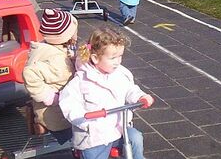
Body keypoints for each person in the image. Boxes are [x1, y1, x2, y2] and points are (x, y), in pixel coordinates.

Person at [59, 27, 154, 159]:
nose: (118, 61)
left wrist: (140, 97)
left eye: (120, 56)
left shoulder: (121, 74)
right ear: (95, 58)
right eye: (113, 58)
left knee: (135, 137)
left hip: (119, 129)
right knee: (93, 155)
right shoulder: (81, 81)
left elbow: (130, 89)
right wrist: (86, 121)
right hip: (94, 135)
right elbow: (69, 104)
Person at [22, 8, 78, 144]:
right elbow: (29, 73)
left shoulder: (46, 48)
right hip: (57, 116)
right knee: (82, 138)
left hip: (53, 111)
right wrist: (50, 97)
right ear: (67, 36)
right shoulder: (56, 59)